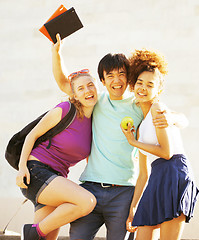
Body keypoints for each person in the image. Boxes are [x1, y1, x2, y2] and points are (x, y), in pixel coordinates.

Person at [52, 34, 189, 240]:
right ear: (102, 80)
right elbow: (65, 84)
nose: (116, 80)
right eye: (110, 76)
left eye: (121, 74)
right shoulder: (96, 100)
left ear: (129, 77)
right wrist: (56, 53)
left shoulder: (139, 103)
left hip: (124, 192)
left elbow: (177, 117)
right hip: (91, 188)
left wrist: (173, 117)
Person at [121, 49, 199, 240]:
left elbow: (166, 152)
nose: (143, 88)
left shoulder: (158, 108)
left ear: (158, 90)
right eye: (139, 82)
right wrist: (133, 208)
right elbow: (143, 174)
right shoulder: (139, 127)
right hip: (156, 176)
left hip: (174, 172)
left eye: (150, 85)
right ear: (133, 84)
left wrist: (133, 142)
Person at [16, 69, 98, 240]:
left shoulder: (95, 122)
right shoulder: (66, 109)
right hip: (36, 172)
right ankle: (31, 232)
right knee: (87, 201)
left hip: (56, 179)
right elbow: (33, 135)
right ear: (74, 95)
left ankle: (34, 233)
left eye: (91, 85)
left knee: (47, 237)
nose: (87, 90)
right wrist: (22, 167)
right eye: (81, 88)